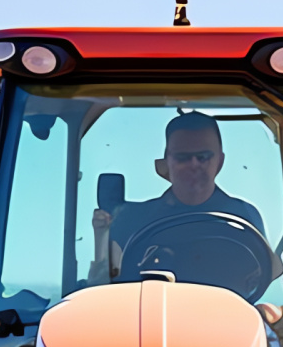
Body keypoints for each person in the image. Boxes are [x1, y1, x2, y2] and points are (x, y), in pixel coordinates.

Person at [94, 111, 266, 276]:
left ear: (219, 161)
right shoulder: (130, 221)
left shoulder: (245, 219)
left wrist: (266, 307)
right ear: (166, 162)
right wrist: (101, 236)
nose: (193, 164)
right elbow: (104, 285)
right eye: (183, 157)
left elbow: (263, 282)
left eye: (203, 156)